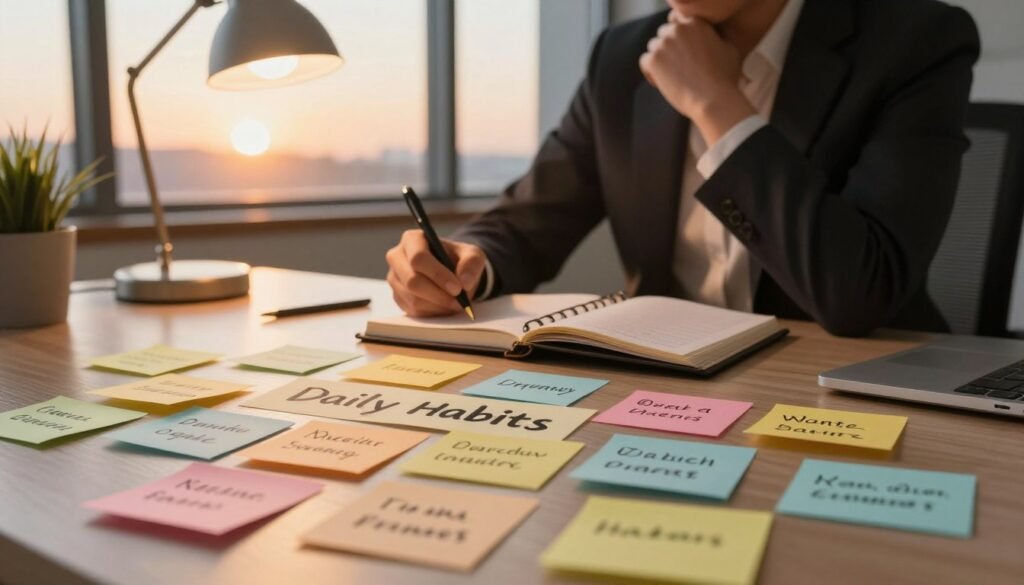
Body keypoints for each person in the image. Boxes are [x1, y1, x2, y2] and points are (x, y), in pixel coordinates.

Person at [385, 0, 979, 337]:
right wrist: (463, 264)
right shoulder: (621, 57)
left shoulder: (916, 40)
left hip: (854, 387)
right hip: (675, 385)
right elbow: (527, 221)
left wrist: (718, 106)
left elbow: (859, 294)